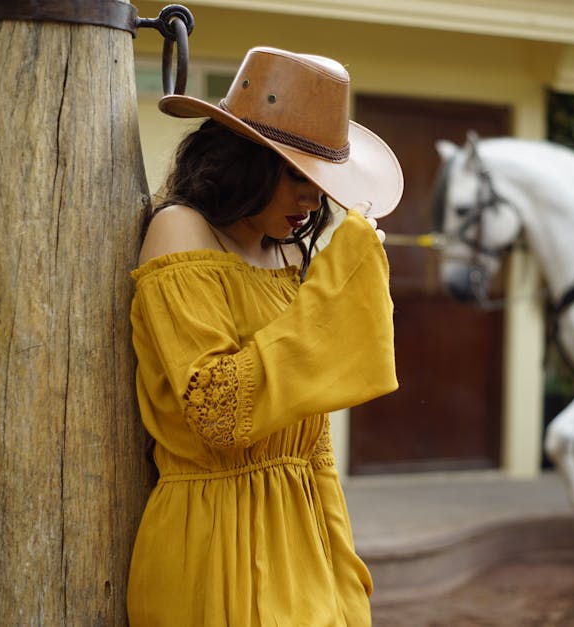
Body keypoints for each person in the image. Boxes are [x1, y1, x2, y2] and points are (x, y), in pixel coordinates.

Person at [126, 46, 404, 626]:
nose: (311, 199)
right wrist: (336, 285)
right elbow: (220, 413)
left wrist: (340, 567)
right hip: (212, 538)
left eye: (320, 180)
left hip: (303, 533)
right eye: (294, 174)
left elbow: (313, 442)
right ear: (240, 162)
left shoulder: (285, 255)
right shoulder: (180, 230)